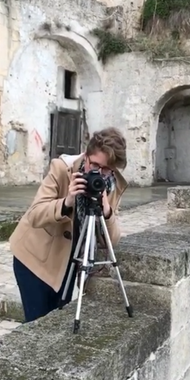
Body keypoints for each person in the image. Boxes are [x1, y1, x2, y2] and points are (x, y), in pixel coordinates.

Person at [9, 127, 128, 323]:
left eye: (108, 169)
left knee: (57, 322)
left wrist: (107, 212)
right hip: (35, 258)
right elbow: (35, 215)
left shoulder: (112, 185)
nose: (101, 174)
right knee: (38, 324)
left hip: (68, 263)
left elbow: (111, 240)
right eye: (95, 165)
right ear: (86, 155)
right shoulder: (61, 168)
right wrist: (67, 202)